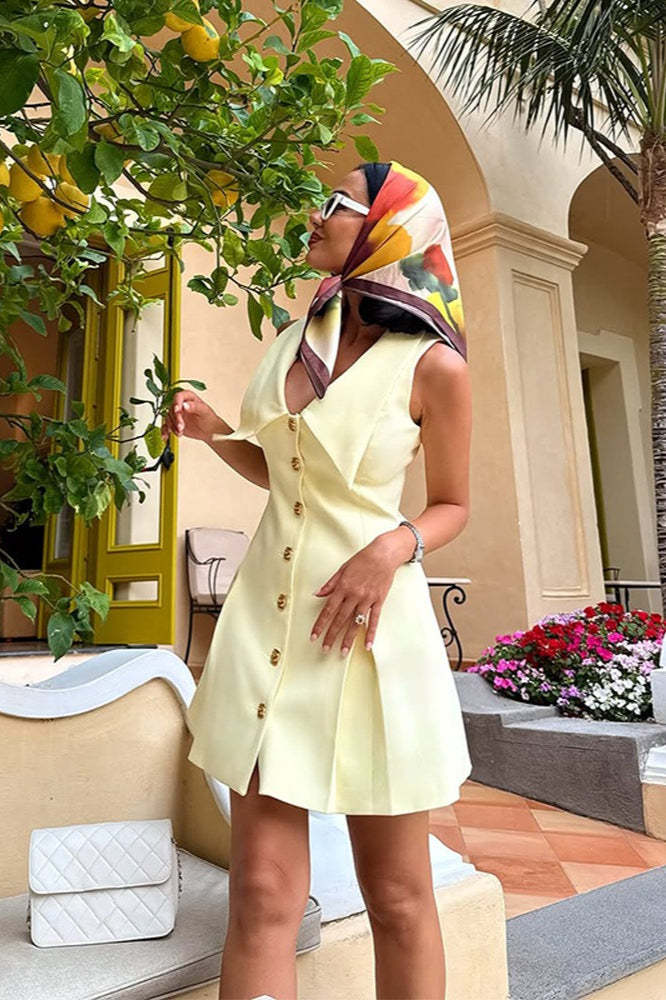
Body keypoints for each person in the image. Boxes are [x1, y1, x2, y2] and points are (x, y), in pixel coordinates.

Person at [163, 160, 473, 1000]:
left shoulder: (433, 367)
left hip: (368, 643)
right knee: (262, 892)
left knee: (397, 896)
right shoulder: (295, 342)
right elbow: (285, 476)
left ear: (388, 228)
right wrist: (215, 431)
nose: (313, 215)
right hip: (267, 634)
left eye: (336, 204)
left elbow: (452, 504)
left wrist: (393, 546)